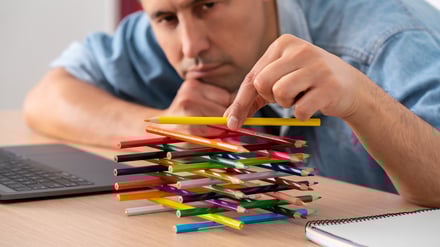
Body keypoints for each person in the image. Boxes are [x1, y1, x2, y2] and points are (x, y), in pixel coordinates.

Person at [24, 0, 440, 207]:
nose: (191, 47)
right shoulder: (166, 33)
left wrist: (364, 103)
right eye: (166, 18)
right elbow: (46, 96)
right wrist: (162, 126)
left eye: (208, 4)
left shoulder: (391, 40)